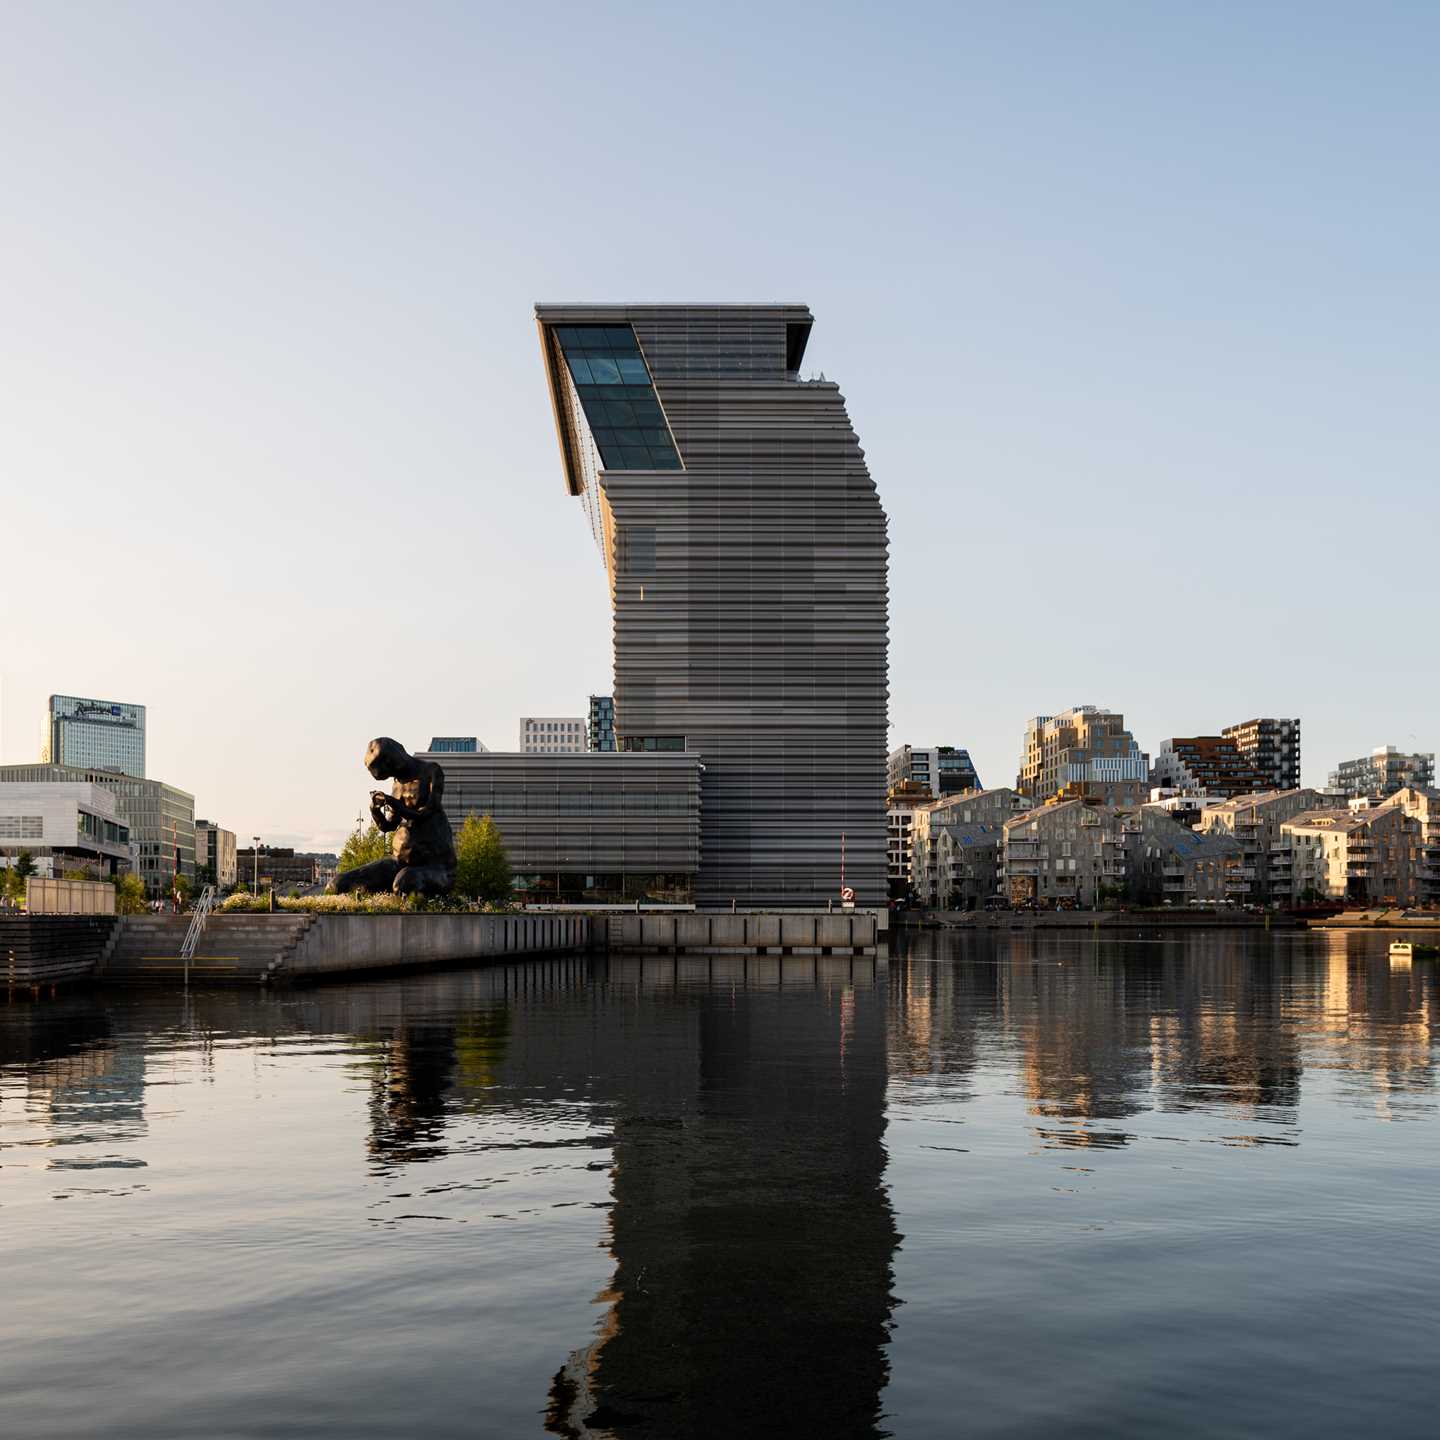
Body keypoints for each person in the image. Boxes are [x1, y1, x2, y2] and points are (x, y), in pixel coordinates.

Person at [333, 737, 457, 896]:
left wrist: (396, 805)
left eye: (390, 771)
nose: (393, 776)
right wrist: (375, 810)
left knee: (405, 883)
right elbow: (389, 826)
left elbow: (428, 811)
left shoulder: (431, 771)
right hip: (398, 862)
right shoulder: (397, 784)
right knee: (339, 884)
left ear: (394, 761)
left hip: (435, 866)